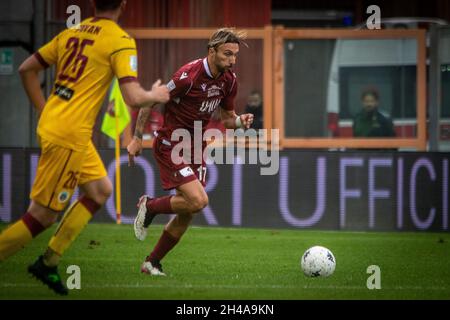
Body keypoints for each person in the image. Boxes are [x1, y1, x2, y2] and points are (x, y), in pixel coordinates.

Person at [0, 0, 169, 295]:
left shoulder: (71, 32)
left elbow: (26, 70)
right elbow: (132, 96)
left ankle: (49, 261)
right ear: (124, 5)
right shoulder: (120, 40)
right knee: (41, 216)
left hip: (61, 127)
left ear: (93, 3)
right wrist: (154, 93)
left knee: (100, 189)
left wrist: (45, 111)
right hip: (70, 136)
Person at [127, 28, 254, 276]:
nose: (232, 60)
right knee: (198, 201)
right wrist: (135, 138)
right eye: (227, 54)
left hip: (196, 146)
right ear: (212, 51)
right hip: (171, 144)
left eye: (235, 55)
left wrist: (240, 122)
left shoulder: (229, 80)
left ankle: (151, 263)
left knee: (188, 212)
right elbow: (149, 101)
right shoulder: (187, 76)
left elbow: (227, 119)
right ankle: (150, 206)